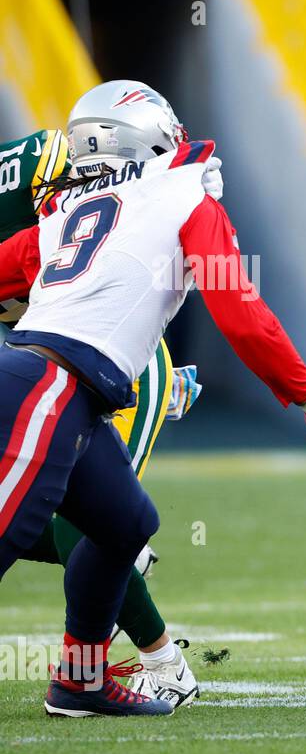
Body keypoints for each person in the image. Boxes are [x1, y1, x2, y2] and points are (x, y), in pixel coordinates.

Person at [0, 80, 306, 717]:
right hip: (47, 384)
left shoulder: (68, 214)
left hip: (64, 390)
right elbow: (241, 317)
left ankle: (79, 680)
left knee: (124, 523)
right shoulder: (186, 194)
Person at [0, 125, 220, 707]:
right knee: (93, 522)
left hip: (82, 363)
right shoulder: (50, 167)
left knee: (98, 523)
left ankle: (158, 661)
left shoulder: (58, 171)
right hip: (41, 357)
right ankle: (91, 675)